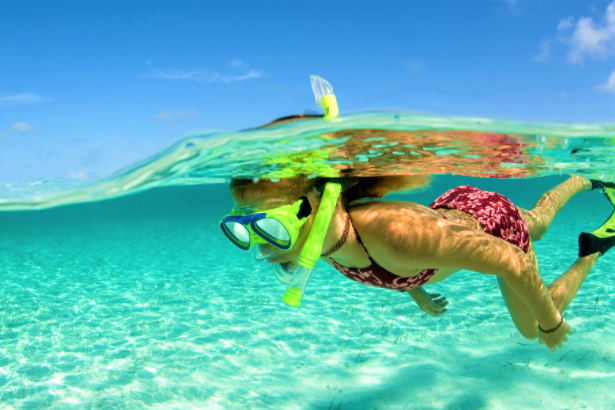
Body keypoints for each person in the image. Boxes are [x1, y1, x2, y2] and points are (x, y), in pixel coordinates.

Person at [222, 174, 615, 352]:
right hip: (459, 207)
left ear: (320, 203)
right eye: (245, 225)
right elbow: (388, 261)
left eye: (270, 224)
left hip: (495, 226)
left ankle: (593, 244)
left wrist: (552, 322)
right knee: (540, 222)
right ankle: (587, 185)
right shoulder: (326, 239)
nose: (261, 241)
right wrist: (416, 290)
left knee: (531, 328)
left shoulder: (393, 234)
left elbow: (511, 259)